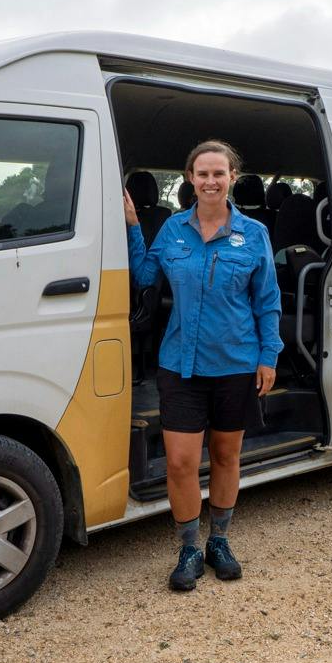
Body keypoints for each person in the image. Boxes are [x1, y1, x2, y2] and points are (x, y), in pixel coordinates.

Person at [125, 140, 282, 591]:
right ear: (189, 180)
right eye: (202, 174)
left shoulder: (253, 233)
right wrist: (134, 227)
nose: (210, 181)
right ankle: (190, 547)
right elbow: (145, 276)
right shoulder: (173, 230)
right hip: (181, 365)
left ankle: (220, 541)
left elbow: (267, 300)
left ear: (232, 176)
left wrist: (268, 356)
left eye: (219, 173)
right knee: (180, 462)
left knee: (226, 455)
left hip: (236, 362)